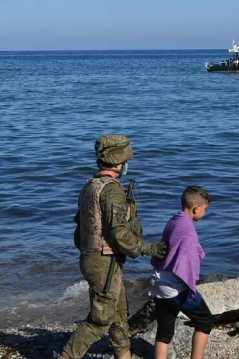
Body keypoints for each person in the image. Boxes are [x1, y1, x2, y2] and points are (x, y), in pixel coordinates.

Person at [59, 135, 167, 359]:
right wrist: (149, 249)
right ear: (120, 162)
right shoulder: (111, 191)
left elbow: (80, 231)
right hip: (104, 261)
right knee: (101, 320)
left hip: (94, 257)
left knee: (119, 316)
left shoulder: (90, 187)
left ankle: (123, 355)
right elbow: (118, 233)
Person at [149, 186, 214, 359]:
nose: (205, 212)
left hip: (159, 282)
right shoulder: (188, 233)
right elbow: (186, 264)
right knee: (206, 321)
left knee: (164, 331)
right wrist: (191, 285)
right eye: (205, 209)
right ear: (196, 208)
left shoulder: (174, 220)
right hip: (175, 287)